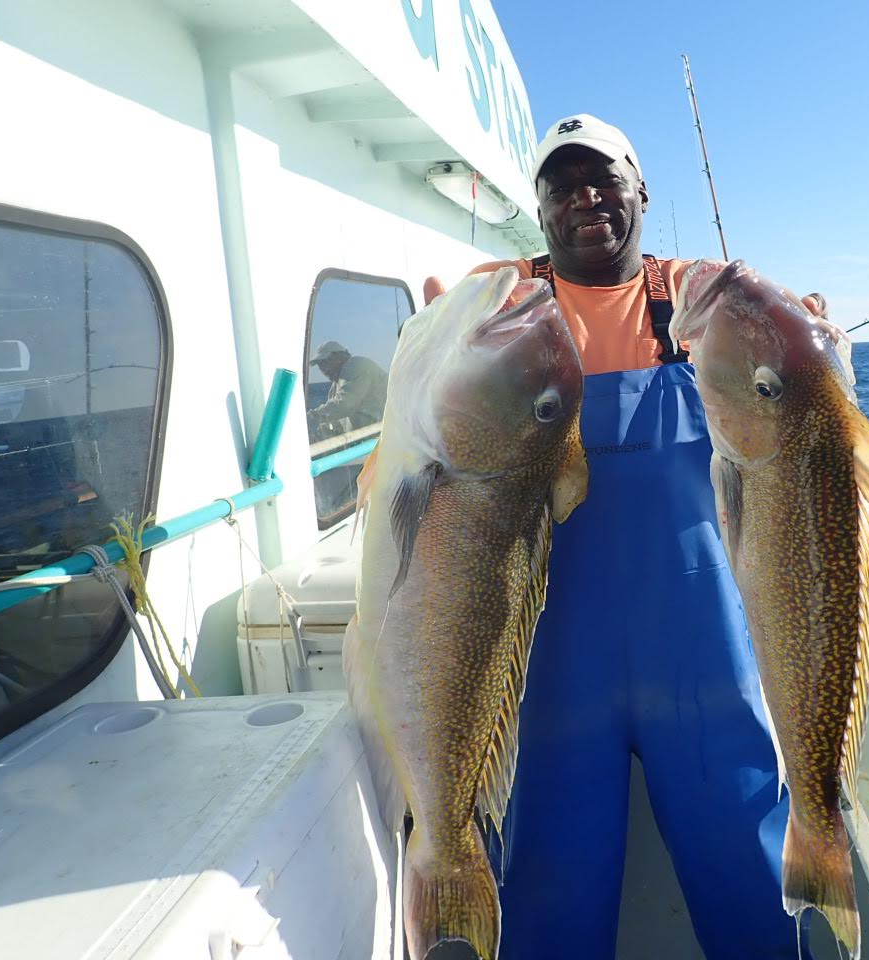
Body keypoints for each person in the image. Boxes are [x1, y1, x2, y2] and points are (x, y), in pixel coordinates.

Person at [423, 115, 837, 960]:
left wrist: (813, 325)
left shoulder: (692, 296)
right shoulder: (504, 300)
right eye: (560, 187)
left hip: (706, 653)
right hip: (549, 663)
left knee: (753, 874)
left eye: (603, 180)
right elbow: (438, 347)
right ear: (539, 211)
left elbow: (787, 346)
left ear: (640, 191)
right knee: (547, 894)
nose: (585, 200)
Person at [307, 340, 388, 439]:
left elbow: (345, 404)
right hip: (362, 444)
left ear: (339, 356)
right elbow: (334, 422)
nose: (323, 368)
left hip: (382, 440)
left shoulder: (356, 364)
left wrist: (312, 417)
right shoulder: (335, 387)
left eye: (325, 362)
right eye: (320, 364)